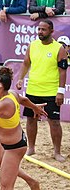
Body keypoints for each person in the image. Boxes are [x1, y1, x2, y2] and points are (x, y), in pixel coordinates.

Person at [15, 19, 68, 162]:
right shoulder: (32, 45)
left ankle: (57, 152)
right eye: (39, 29)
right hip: (33, 89)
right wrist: (20, 78)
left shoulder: (59, 48)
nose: (40, 32)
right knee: (31, 120)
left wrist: (61, 91)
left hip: (51, 91)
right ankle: (31, 148)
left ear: (51, 31)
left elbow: (63, 71)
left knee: (54, 122)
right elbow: (26, 63)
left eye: (43, 30)